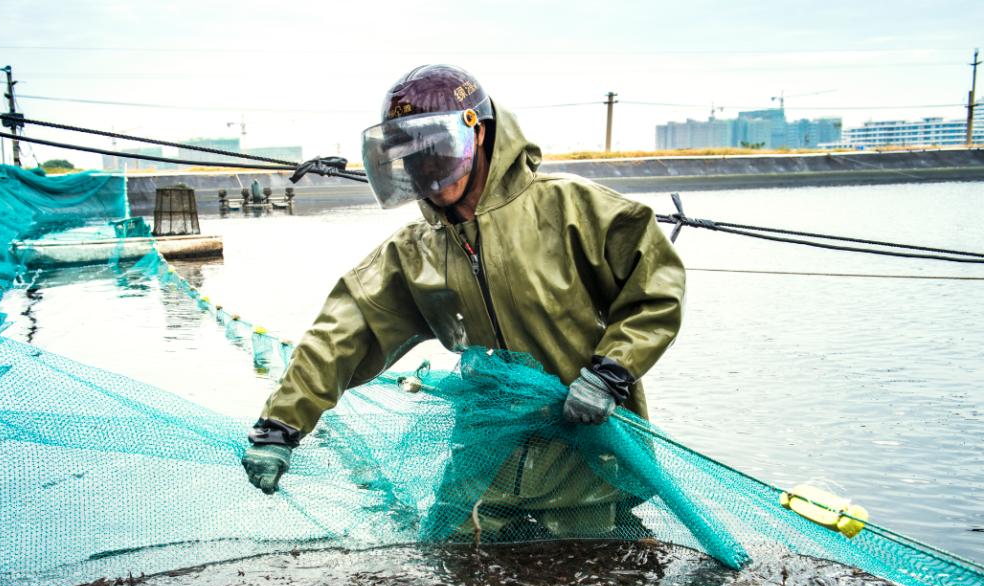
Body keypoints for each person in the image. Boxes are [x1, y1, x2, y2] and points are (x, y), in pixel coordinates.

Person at [242, 64, 685, 537]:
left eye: (436, 150)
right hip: (485, 447)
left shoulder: (574, 208)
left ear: (480, 133)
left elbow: (654, 288)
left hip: (587, 442)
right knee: (457, 554)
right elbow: (345, 331)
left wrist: (610, 372)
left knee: (593, 577)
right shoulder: (416, 249)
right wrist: (279, 428)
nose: (425, 169)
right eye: (410, 158)